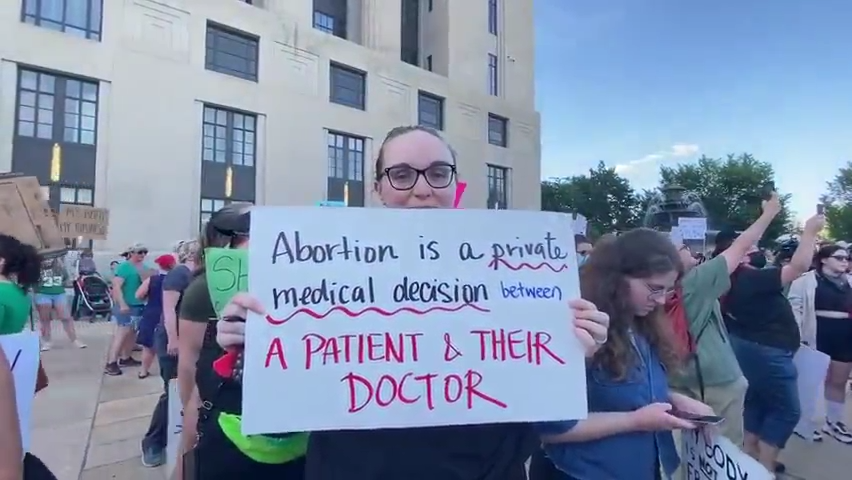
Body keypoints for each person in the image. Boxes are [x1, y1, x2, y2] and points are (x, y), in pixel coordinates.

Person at [212, 125, 611, 480]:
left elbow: (555, 422)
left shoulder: (517, 271)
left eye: (438, 173)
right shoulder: (320, 277)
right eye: (401, 175)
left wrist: (576, 352)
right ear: (379, 188)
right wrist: (252, 352)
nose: (422, 189)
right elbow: (278, 429)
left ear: (455, 185)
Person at [529, 229, 713, 480]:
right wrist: (634, 421)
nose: (660, 301)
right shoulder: (578, 326)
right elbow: (550, 428)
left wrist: (673, 400)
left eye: (668, 290)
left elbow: (626, 386)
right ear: (617, 279)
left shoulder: (641, 321)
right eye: (654, 288)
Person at [665, 194, 782, 456]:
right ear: (670, 261)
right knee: (723, 453)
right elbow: (740, 246)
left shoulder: (664, 291)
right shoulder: (694, 283)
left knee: (688, 455)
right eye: (683, 248)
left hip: (679, 383)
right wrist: (769, 214)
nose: (689, 248)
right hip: (716, 385)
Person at [723, 213, 823, 473]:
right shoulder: (749, 278)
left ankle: (750, 454)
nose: (756, 250)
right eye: (750, 246)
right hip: (768, 353)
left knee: (757, 401)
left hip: (750, 348)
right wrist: (810, 232)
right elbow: (799, 266)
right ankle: (765, 467)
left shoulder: (729, 278)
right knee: (787, 410)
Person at [140, 241, 197, 468]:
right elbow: (169, 309)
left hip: (185, 340)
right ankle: (152, 442)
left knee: (181, 391)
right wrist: (174, 339)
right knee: (172, 391)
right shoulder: (178, 274)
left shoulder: (192, 274)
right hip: (172, 341)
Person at [788, 244, 852, 443]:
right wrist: (797, 337)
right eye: (839, 257)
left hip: (845, 334)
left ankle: (833, 422)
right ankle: (804, 423)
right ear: (823, 259)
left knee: (839, 381)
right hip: (816, 333)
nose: (844, 261)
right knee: (811, 382)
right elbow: (794, 307)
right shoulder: (805, 281)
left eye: (846, 258)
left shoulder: (849, 282)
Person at [104, 243, 148, 376]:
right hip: (127, 304)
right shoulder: (123, 267)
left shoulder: (143, 267)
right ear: (131, 253)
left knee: (132, 332)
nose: (142, 255)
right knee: (122, 332)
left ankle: (126, 357)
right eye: (139, 252)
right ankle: (111, 362)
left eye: (144, 252)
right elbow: (116, 286)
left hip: (138, 304)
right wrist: (122, 304)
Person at [135, 254, 176, 379]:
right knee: (168, 346)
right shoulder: (176, 280)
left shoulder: (153, 279)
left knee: (148, 346)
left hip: (152, 312)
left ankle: (143, 371)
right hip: (171, 314)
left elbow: (138, 295)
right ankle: (169, 372)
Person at [34, 256, 85, 351]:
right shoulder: (35, 267)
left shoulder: (60, 267)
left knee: (66, 317)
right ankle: (47, 341)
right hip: (42, 293)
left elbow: (66, 279)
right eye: (46, 258)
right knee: (45, 318)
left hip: (59, 293)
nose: (48, 260)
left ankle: (74, 339)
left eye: (50, 258)